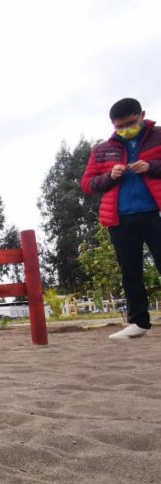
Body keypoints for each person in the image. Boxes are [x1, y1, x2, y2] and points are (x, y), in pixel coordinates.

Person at [81, 98, 161, 339]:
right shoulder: (102, 150)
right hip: (121, 218)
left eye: (131, 123)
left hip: (154, 213)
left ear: (142, 115)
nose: (126, 129)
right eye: (120, 126)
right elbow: (88, 184)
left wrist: (151, 166)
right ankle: (139, 323)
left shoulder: (158, 136)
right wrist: (109, 176)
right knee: (130, 271)